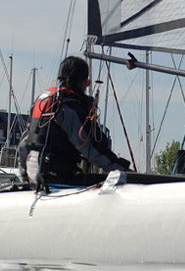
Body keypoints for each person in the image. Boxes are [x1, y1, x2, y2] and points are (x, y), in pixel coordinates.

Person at [25, 56, 130, 187]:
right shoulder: (70, 108)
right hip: (55, 180)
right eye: (87, 83)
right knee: (117, 181)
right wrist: (123, 170)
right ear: (82, 82)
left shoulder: (41, 103)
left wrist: (24, 177)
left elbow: (24, 145)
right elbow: (92, 150)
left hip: (34, 178)